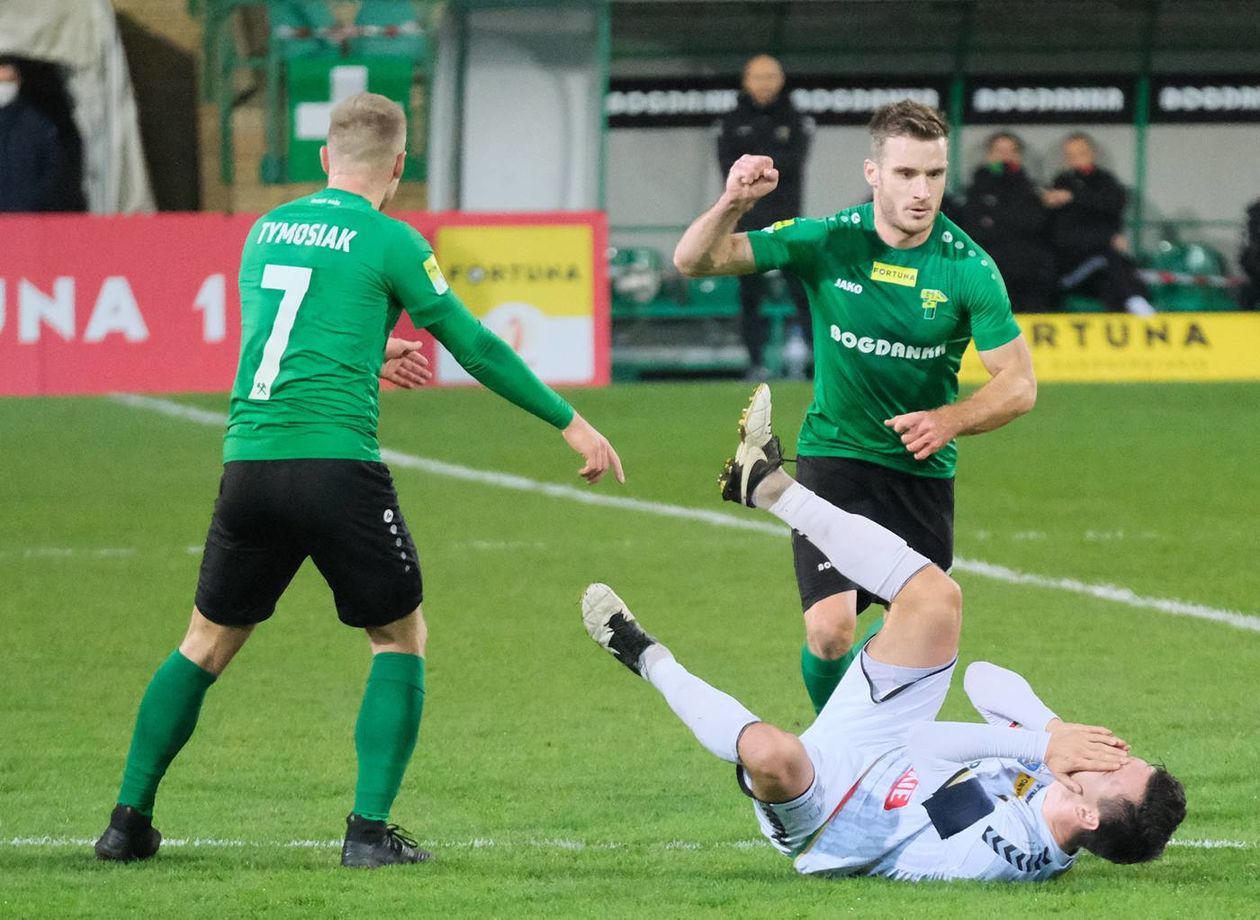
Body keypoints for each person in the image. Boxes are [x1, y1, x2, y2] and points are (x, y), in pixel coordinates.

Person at [95, 93, 624, 868]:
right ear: (400, 166)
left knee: (204, 643)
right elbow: (475, 345)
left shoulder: (264, 231)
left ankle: (125, 822)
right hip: (336, 468)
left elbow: (281, 342)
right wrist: (571, 423)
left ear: (324, 159)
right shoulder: (393, 241)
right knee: (398, 637)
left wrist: (365, 359)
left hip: (248, 464)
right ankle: (368, 834)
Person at [582, 384, 1185, 881]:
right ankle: (770, 487)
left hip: (834, 810)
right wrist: (1052, 728)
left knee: (770, 752)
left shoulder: (999, 852)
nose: (1114, 757)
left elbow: (923, 744)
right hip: (887, 745)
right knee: (936, 600)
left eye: (1114, 772)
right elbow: (982, 679)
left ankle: (641, 652)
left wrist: (1037, 748)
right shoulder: (1067, 778)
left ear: (1087, 816)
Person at [675, 100, 1036, 716]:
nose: (922, 192)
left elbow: (1019, 384)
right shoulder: (827, 240)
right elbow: (695, 260)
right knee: (829, 631)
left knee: (910, 637)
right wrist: (734, 202)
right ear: (874, 173)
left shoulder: (968, 267)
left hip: (920, 475)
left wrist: (949, 419)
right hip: (834, 460)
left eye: (934, 175)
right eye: (905, 174)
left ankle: (863, 739)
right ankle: (831, 750)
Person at [716, 54, 814, 379]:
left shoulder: (797, 119)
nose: (764, 83)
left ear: (781, 79)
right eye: (758, 77)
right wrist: (763, 169)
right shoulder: (731, 121)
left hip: (788, 222)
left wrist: (756, 167)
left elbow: (793, 162)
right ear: (746, 81)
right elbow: (729, 167)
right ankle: (754, 362)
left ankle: (817, 361)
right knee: (750, 297)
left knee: (806, 293)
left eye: (770, 76)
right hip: (746, 221)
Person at [1044, 133, 1156, 316]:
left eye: (1082, 152)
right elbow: (1066, 236)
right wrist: (1107, 237)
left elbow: (1113, 203)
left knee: (1110, 281)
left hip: (1100, 271)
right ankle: (1138, 302)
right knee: (1108, 256)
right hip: (1070, 270)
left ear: (1092, 153)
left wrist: (1073, 198)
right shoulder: (1059, 185)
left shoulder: (1106, 182)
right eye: (1071, 155)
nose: (1077, 159)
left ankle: (1131, 312)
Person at [962, 131, 1057, 311]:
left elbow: (1036, 223)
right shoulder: (976, 189)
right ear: (988, 156)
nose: (1005, 157)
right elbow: (975, 229)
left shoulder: (1032, 190)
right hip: (991, 268)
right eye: (999, 151)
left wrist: (997, 219)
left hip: (1031, 271)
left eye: (1011, 151)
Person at [0, 57, 65, 212]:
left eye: (8, 81)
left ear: (19, 82)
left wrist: (35, 201)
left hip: (26, 217)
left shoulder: (37, 123)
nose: (3, 87)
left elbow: (53, 167)